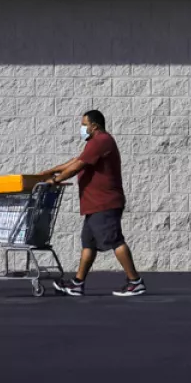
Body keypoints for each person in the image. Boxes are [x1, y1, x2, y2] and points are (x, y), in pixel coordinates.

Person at [37, 109, 146, 297]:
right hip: (94, 205)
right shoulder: (94, 143)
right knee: (88, 244)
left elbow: (78, 166)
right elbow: (76, 160)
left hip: (105, 203)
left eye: (84, 124)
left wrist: (54, 180)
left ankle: (135, 282)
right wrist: (50, 171)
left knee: (115, 240)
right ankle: (78, 284)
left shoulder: (101, 141)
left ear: (94, 126)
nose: (82, 128)